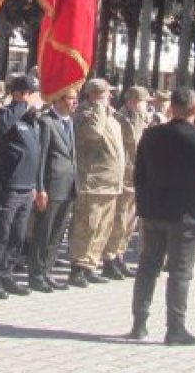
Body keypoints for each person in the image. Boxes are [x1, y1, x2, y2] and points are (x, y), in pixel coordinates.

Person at [128, 88, 195, 346]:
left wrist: (143, 207)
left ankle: (139, 324)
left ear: (172, 107)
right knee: (180, 273)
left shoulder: (151, 135)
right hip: (185, 216)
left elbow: (139, 175)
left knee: (147, 268)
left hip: (153, 212)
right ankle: (175, 328)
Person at [0, 75, 42, 299]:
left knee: (17, 235)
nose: (38, 99)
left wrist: (35, 184)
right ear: (21, 94)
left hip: (27, 186)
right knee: (0, 234)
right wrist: (21, 104)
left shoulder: (29, 119)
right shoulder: (7, 113)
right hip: (9, 185)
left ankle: (6, 274)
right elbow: (0, 126)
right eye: (34, 94)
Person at [68, 78, 126, 287]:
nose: (110, 96)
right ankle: (78, 267)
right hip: (93, 182)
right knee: (87, 226)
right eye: (106, 93)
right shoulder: (85, 114)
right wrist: (99, 107)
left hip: (111, 182)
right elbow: (94, 133)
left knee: (103, 227)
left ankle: (91, 265)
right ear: (95, 95)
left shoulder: (110, 115)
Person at [30, 87, 79, 292]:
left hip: (68, 186)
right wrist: (40, 187)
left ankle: (47, 271)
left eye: (75, 99)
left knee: (58, 232)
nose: (74, 102)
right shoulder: (47, 122)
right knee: (44, 231)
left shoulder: (70, 122)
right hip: (51, 186)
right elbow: (41, 158)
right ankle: (36, 274)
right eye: (71, 99)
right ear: (58, 100)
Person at [106, 86, 150, 278]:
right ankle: (110, 257)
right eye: (142, 102)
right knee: (119, 219)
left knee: (130, 221)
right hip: (124, 175)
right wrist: (140, 118)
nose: (145, 106)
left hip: (136, 175)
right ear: (132, 101)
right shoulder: (120, 118)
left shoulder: (140, 118)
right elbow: (132, 141)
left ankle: (120, 255)